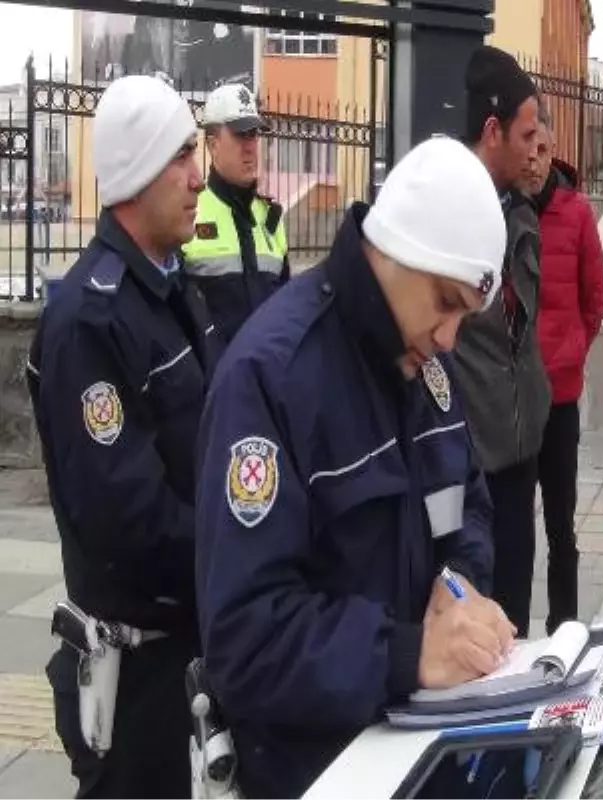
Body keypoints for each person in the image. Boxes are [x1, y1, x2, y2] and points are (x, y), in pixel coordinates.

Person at [193, 136, 516, 800]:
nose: (451, 338)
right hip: (319, 775)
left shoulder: (431, 372)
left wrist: (459, 584)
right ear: (398, 255)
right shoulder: (270, 379)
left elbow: (471, 507)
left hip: (428, 760)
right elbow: (246, 639)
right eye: (447, 302)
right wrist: (406, 655)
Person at [25, 75, 218, 799]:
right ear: (136, 171)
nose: (198, 175)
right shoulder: (90, 321)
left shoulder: (175, 291)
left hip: (191, 656)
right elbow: (126, 520)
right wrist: (237, 554)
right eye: (180, 157)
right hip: (139, 679)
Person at [452, 46, 548, 637]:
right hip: (469, 462)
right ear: (493, 132)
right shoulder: (449, 216)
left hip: (521, 452)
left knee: (513, 614)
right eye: (527, 133)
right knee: (473, 620)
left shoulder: (521, 212)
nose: (536, 147)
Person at [521, 99, 603, 634]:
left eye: (543, 148)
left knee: (561, 524)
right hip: (511, 402)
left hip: (560, 398)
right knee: (514, 524)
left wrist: (572, 349)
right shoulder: (503, 209)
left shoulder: (576, 213)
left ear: (555, 152)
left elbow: (594, 299)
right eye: (526, 146)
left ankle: (565, 627)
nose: (533, 159)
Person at [182, 83, 288, 345]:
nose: (251, 146)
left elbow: (287, 311)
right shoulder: (188, 214)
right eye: (241, 135)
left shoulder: (271, 217)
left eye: (254, 134)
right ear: (213, 145)